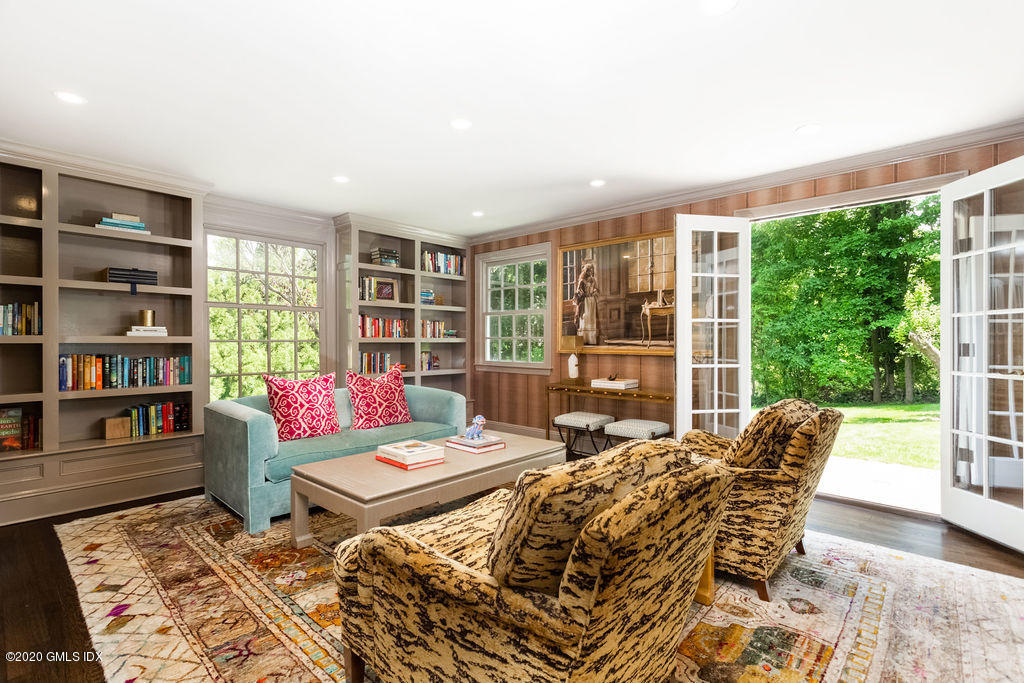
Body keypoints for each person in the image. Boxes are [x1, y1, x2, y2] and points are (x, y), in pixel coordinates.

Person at [574, 261, 600, 345]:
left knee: (592, 319)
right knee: (585, 318)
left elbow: (597, 289)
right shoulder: (582, 281)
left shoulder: (593, 280)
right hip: (585, 301)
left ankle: (592, 339)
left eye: (591, 270)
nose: (590, 272)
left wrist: (594, 292)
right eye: (589, 270)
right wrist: (584, 294)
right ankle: (584, 339)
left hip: (592, 301)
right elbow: (578, 291)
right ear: (585, 271)